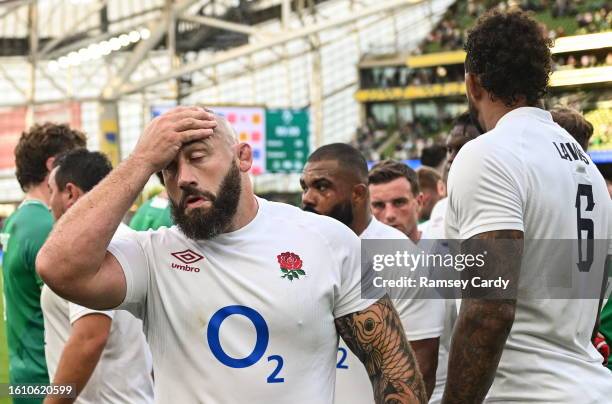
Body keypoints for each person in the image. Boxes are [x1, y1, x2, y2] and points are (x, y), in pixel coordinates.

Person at [36, 107, 427, 403]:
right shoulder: (153, 255)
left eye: (198, 156)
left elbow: (393, 368)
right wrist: (141, 160)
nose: (184, 177)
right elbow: (58, 266)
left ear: (242, 158)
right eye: (167, 169)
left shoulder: (327, 240)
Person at [442, 10, 612, 403]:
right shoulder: (585, 166)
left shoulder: (488, 154)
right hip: (589, 385)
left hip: (524, 392)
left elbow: (490, 309)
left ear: (473, 82)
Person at [301, 143, 444, 401]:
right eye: (305, 187)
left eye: (322, 187)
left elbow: (421, 366)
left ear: (357, 194)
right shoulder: (299, 250)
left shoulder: (403, 259)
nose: (307, 198)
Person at [42, 149, 153, 404]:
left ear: (70, 193)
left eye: (51, 191)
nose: (49, 203)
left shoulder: (88, 247)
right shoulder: (128, 238)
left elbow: (90, 337)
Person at [0, 123, 86, 403]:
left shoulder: (20, 219)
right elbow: (86, 325)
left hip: (27, 378)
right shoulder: (45, 225)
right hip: (50, 384)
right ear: (53, 166)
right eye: (78, 162)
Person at [423, 112, 482, 241]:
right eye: (449, 150)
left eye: (462, 148)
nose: (450, 158)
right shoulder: (440, 209)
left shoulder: (501, 204)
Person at [369, 160, 423, 243]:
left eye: (399, 202)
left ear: (419, 202)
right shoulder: (356, 253)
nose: (389, 215)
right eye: (379, 205)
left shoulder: (445, 251)